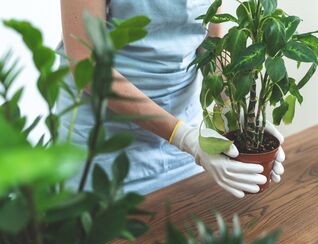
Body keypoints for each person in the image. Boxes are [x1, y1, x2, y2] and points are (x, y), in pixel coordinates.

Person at [57, 0, 285, 198]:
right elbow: (86, 65)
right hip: (106, 144)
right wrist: (183, 137)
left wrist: (240, 112)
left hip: (183, 144)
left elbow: (211, 42)